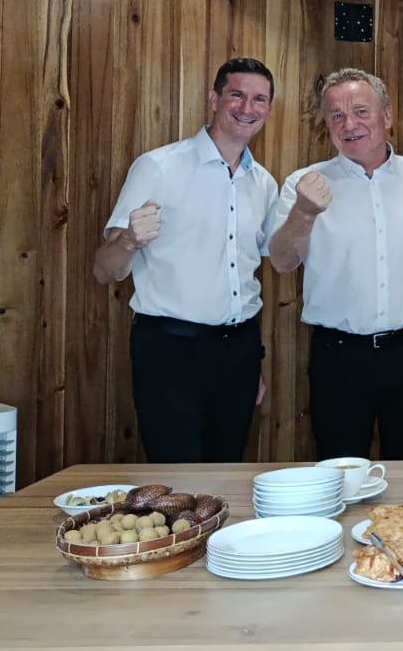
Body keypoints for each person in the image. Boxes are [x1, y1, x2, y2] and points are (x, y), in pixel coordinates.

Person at [266, 68, 403, 461]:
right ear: (327, 125)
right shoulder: (303, 184)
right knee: (339, 469)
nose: (349, 124)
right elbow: (283, 262)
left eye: (361, 111)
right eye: (337, 115)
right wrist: (304, 212)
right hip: (338, 356)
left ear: (386, 115)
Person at [94, 58, 277, 464]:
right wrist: (130, 239)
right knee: (177, 480)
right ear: (214, 99)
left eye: (259, 99)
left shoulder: (263, 184)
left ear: (268, 109)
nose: (247, 107)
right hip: (170, 352)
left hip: (239, 353)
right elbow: (105, 270)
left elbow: (247, 278)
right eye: (237, 95)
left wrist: (252, 364)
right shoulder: (159, 167)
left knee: (226, 476)